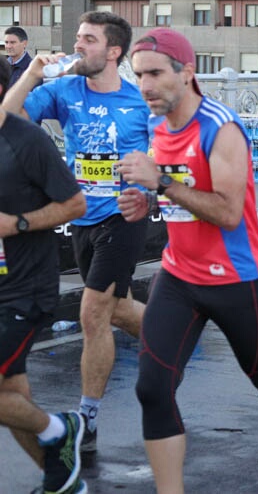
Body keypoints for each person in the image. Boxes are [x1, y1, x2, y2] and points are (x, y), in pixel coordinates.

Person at [116, 28, 258, 493]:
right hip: (178, 276)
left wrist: (159, 184)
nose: (146, 86)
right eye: (139, 76)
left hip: (237, 279)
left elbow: (227, 210)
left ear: (187, 72)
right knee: (152, 388)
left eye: (155, 74)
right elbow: (175, 196)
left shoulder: (222, 127)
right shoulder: (157, 125)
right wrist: (146, 202)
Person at [2, 11, 149, 456]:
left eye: (88, 39)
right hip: (81, 217)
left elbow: (166, 160)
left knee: (92, 312)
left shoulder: (139, 103)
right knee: (116, 309)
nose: (78, 45)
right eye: (78, 37)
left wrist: (149, 194)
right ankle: (173, 332)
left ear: (114, 51)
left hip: (125, 216)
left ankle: (85, 417)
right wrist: (32, 71)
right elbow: (6, 119)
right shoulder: (65, 90)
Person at [0, 78, 90, 494]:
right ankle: (63, 480)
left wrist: (17, 223)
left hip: (24, 290)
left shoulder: (28, 141)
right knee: (12, 395)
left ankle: (61, 427)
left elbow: (75, 204)